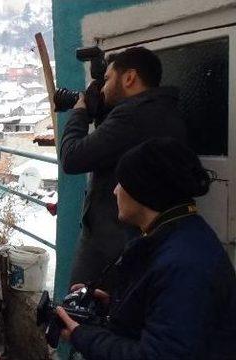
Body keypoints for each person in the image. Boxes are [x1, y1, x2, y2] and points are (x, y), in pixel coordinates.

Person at [57, 138, 236, 360]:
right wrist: (115, 307)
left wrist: (83, 336)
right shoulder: (176, 235)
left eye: (121, 183)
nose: (115, 191)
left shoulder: (184, 265)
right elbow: (167, 316)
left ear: (142, 190)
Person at [60, 47, 187, 291]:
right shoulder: (164, 112)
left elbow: (72, 158)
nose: (103, 88)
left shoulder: (133, 118)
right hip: (143, 241)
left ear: (129, 78)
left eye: (107, 80)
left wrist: (79, 111)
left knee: (80, 311)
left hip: (112, 243)